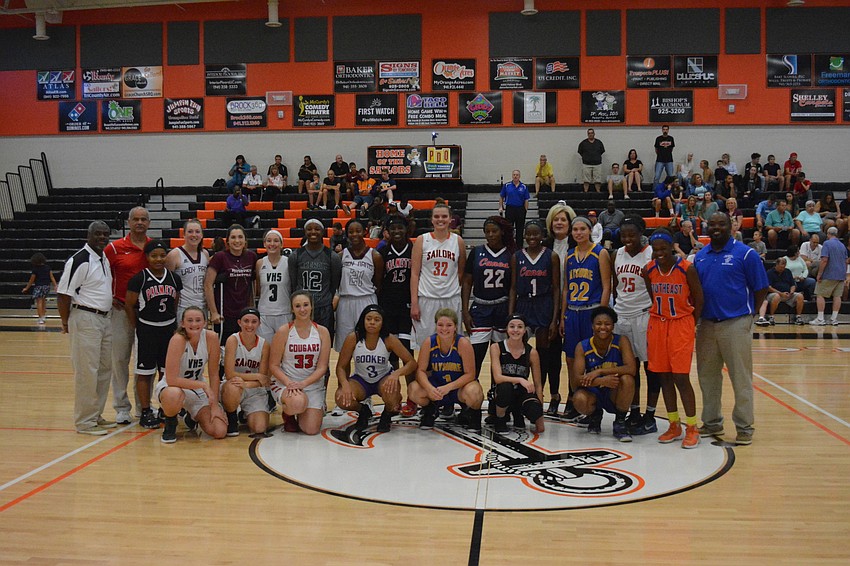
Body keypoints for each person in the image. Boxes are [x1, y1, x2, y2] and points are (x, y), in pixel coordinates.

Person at [694, 212, 769, 445]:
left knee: (741, 378)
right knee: (707, 378)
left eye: (721, 224)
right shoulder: (700, 256)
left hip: (736, 323)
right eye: (712, 224)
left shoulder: (746, 254)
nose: (716, 228)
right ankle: (711, 422)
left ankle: (745, 427)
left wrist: (751, 315)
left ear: (732, 226)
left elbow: (761, 288)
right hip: (706, 325)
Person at [642, 229, 704, 448]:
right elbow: (653, 296)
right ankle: (674, 424)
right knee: (664, 377)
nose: (659, 253)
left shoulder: (687, 268)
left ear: (672, 247)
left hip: (681, 324)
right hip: (658, 324)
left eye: (663, 249)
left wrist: (690, 323)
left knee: (681, 377)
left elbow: (698, 298)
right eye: (655, 249)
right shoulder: (648, 269)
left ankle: (692, 427)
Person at [57, 221, 116, 435]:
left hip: (104, 319)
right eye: (98, 234)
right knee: (87, 372)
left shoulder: (103, 258)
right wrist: (65, 322)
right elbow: (63, 294)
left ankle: (95, 414)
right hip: (85, 318)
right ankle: (84, 421)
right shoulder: (80, 259)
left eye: (105, 234)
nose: (102, 237)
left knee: (103, 370)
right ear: (89, 235)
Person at [124, 240, 181, 429]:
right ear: (147, 257)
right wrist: (137, 326)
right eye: (154, 255)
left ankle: (165, 408)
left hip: (168, 330)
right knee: (145, 372)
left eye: (162, 255)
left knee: (166, 372)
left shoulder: (173, 278)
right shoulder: (139, 279)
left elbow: (174, 303)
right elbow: (129, 305)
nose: (158, 259)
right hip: (147, 329)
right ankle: (146, 410)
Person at [334, 305, 417, 433]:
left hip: (383, 379)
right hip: (360, 380)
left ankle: (387, 414)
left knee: (392, 397)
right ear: (363, 320)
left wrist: (396, 374)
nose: (372, 322)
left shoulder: (389, 339)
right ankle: (363, 411)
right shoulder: (353, 338)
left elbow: (411, 362)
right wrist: (344, 384)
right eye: (369, 319)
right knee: (341, 398)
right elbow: (340, 366)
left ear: (382, 322)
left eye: (377, 320)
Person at [561, 216, 611, 422]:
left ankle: (594, 406)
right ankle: (576, 400)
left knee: (592, 360)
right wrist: (563, 316)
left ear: (590, 230)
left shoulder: (600, 253)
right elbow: (565, 289)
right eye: (575, 229)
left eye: (582, 229)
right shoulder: (569, 255)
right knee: (571, 360)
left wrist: (603, 315)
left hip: (592, 312)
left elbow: (607, 285)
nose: (578, 232)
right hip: (573, 312)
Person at [105, 206, 151, 425]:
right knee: (120, 359)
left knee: (144, 362)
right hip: (121, 311)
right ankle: (122, 407)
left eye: (143, 219)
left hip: (147, 313)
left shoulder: (154, 248)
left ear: (148, 223)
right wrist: (109, 296)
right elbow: (102, 275)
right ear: (129, 222)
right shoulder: (113, 248)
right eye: (136, 219)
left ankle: (144, 407)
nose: (140, 223)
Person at [613, 217, 659, 436]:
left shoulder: (651, 254)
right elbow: (616, 287)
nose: (627, 239)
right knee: (630, 369)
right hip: (622, 316)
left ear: (642, 232)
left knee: (650, 368)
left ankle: (650, 415)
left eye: (632, 234)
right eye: (624, 235)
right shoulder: (617, 254)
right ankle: (634, 411)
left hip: (644, 316)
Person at [156, 307, 227, 443]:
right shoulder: (178, 340)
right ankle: (170, 423)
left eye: (198, 320)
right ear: (182, 323)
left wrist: (215, 406)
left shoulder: (211, 338)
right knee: (174, 394)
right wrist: (202, 385)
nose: (194, 324)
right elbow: (171, 379)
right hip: (172, 387)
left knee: (219, 431)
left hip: (196, 390)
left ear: (205, 323)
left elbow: (213, 375)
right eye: (190, 320)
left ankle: (192, 417)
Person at [268, 291, 332, 435]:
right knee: (297, 403)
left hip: (311, 384)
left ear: (311, 306)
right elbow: (273, 365)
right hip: (286, 382)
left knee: (311, 429)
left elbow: (322, 367)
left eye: (305, 305)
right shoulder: (284, 331)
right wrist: (289, 383)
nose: (302, 309)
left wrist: (304, 384)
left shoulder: (322, 332)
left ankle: (305, 409)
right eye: (297, 306)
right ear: (292, 308)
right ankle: (289, 413)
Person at [408, 308, 483, 430]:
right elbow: (420, 371)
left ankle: (472, 415)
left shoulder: (462, 343)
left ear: (455, 327)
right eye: (440, 325)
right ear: (436, 325)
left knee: (474, 392)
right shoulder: (429, 342)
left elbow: (470, 374)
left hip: (457, 389)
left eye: (449, 325)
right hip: (437, 387)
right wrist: (429, 388)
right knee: (413, 389)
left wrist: (448, 387)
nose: (444, 329)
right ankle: (430, 411)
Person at [571, 306, 636, 441]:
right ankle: (595, 415)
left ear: (613, 326)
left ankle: (620, 422)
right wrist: (600, 381)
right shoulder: (582, 346)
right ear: (592, 326)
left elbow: (631, 368)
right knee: (579, 399)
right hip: (594, 390)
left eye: (607, 324)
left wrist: (600, 371)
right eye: (598, 324)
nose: (603, 327)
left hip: (614, 390)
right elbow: (576, 380)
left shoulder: (621, 341)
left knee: (628, 380)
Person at [462, 216, 515, 379]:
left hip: (502, 307)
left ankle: (496, 397)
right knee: (475, 357)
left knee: (500, 359)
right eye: (487, 231)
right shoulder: (477, 252)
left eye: (494, 231)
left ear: (502, 232)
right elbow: (467, 282)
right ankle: (473, 397)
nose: (491, 234)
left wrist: (510, 315)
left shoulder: (511, 254)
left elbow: (513, 287)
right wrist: (465, 311)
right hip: (480, 308)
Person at [410, 202, 465, 343]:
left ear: (450, 219)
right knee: (426, 343)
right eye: (437, 216)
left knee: (452, 342)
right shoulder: (422, 240)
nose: (440, 219)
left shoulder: (458, 241)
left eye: (444, 216)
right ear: (432, 219)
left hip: (451, 298)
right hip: (427, 298)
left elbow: (460, 273)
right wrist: (414, 303)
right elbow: (415, 274)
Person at [379, 216, 417, 416]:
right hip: (387, 306)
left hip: (407, 307)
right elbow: (378, 280)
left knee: (407, 353)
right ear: (387, 231)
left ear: (406, 229)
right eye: (392, 228)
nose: (396, 231)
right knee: (390, 355)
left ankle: (412, 398)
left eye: (400, 228)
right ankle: (395, 398)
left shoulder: (414, 249)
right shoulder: (382, 251)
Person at [541, 202, 574, 414]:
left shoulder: (578, 245)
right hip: (549, 306)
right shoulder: (544, 245)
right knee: (550, 356)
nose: (559, 223)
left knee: (572, 356)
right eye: (556, 219)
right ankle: (553, 395)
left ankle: (574, 396)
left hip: (573, 306)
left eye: (563, 219)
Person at [221, 307, 272, 438]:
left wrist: (247, 384)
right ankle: (231, 418)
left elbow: (264, 380)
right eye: (246, 321)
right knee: (233, 386)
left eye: (254, 321)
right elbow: (229, 374)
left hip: (254, 390)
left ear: (259, 323)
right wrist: (256, 376)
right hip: (234, 386)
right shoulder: (232, 340)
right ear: (239, 322)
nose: (250, 325)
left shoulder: (264, 344)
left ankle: (244, 413)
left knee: (259, 428)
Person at [490, 314, 545, 433]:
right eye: (512, 326)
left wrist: (540, 419)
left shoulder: (531, 352)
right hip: (503, 391)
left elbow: (538, 384)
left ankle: (518, 413)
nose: (515, 330)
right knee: (506, 387)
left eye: (519, 327)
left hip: (521, 393)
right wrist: (520, 380)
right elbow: (498, 378)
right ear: (507, 329)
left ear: (525, 330)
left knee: (534, 409)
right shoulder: (496, 347)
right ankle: (500, 419)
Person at [289, 218, 342, 340]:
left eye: (317, 229)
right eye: (309, 229)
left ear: (323, 232)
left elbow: (334, 283)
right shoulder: (295, 255)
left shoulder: (332, 256)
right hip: (302, 308)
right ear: (305, 232)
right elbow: (293, 283)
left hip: (324, 308)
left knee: (324, 344)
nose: (313, 232)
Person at [335, 219, 384, 351]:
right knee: (345, 348)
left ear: (365, 232)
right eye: (351, 232)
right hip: (346, 302)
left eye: (358, 231)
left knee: (368, 345)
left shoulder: (375, 256)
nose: (354, 234)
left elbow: (378, 283)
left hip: (366, 300)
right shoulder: (340, 256)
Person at [204, 224, 257, 343]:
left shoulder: (251, 256)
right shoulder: (220, 257)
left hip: (244, 312)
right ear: (227, 241)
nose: (237, 241)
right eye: (233, 237)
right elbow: (208, 284)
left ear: (245, 240)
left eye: (240, 237)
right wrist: (213, 312)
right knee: (224, 347)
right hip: (224, 313)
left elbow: (253, 282)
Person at [166, 219, 209, 321]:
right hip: (183, 307)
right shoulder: (174, 254)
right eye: (190, 231)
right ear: (183, 234)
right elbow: (168, 284)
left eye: (197, 232)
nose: (194, 235)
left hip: (202, 306)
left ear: (202, 235)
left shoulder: (205, 254)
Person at [255, 229, 291, 344]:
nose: (272, 244)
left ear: (281, 244)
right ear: (264, 244)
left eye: (276, 241)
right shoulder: (260, 263)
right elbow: (258, 289)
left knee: (283, 350)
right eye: (269, 241)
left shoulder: (288, 262)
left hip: (284, 312)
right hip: (264, 313)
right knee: (266, 351)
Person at [810, 227, 848, 326]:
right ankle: (834, 319)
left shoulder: (827, 244)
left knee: (820, 294)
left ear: (828, 234)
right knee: (837, 296)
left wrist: (819, 274)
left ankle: (820, 318)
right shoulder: (842, 245)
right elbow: (846, 261)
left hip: (829, 273)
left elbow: (824, 260)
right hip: (841, 274)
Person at [755, 257, 804, 326]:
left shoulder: (788, 271)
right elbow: (768, 287)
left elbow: (793, 285)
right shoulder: (770, 272)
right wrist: (781, 293)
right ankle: (771, 317)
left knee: (800, 296)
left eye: (783, 267)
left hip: (787, 294)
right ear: (776, 265)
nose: (782, 269)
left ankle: (798, 317)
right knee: (776, 296)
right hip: (774, 294)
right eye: (781, 267)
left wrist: (791, 292)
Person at [22, 252, 56, 324]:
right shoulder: (48, 267)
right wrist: (55, 286)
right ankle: (43, 316)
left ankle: (40, 318)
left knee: (39, 302)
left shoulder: (35, 269)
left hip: (38, 286)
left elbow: (32, 280)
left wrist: (26, 288)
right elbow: (52, 277)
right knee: (44, 301)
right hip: (47, 286)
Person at [499, 169, 531, 244]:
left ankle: (519, 246)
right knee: (509, 229)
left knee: (520, 229)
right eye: (514, 175)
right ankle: (508, 245)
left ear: (519, 176)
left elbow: (526, 200)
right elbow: (501, 197)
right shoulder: (507, 185)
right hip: (510, 209)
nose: (515, 176)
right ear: (512, 176)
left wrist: (525, 210)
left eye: (517, 175)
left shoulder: (524, 187)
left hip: (520, 209)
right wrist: (501, 207)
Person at [577, 128, 605, 193]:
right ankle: (585, 192)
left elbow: (602, 151)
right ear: (587, 134)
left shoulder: (599, 142)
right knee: (586, 180)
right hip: (586, 164)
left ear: (594, 134)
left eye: (591, 133)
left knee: (597, 180)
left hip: (597, 164)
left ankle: (598, 191)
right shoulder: (583, 143)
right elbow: (580, 152)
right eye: (589, 133)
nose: (590, 134)